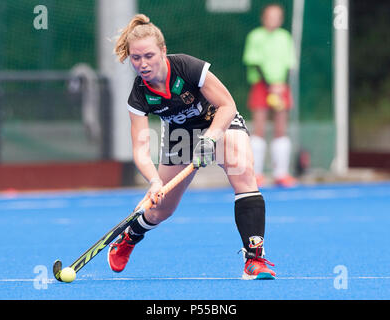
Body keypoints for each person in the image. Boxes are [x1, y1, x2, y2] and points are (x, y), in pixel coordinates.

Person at [107, 14, 275, 280]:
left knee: (243, 172)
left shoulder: (187, 67)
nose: (143, 64)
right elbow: (140, 148)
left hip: (218, 123)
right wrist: (153, 182)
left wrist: (209, 138)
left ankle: (255, 260)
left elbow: (227, 105)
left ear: (163, 51)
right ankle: (131, 236)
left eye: (149, 56)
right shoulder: (138, 95)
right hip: (179, 136)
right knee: (161, 209)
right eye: (136, 58)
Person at [242, 4, 297, 187]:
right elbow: (254, 63)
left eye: (277, 16)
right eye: (270, 16)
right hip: (261, 86)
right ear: (263, 18)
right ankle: (255, 173)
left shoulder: (285, 37)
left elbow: (290, 65)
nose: (273, 19)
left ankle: (281, 173)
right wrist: (270, 86)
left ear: (281, 19)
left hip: (281, 87)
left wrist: (281, 86)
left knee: (281, 128)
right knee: (259, 129)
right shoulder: (255, 36)